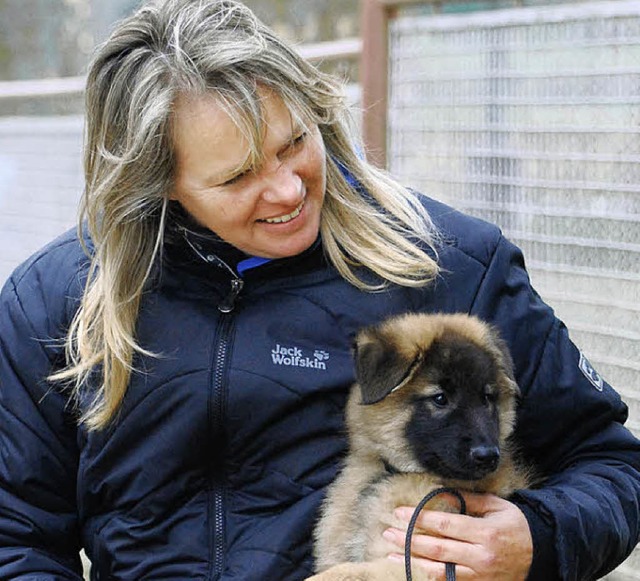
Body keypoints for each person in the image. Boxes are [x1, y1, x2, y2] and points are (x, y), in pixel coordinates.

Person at [0, 0, 638, 579]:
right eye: (237, 177)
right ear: (159, 183)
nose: (287, 189)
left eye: (294, 142)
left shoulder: (450, 265)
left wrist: (538, 537)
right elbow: (16, 537)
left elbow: (613, 468)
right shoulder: (56, 302)